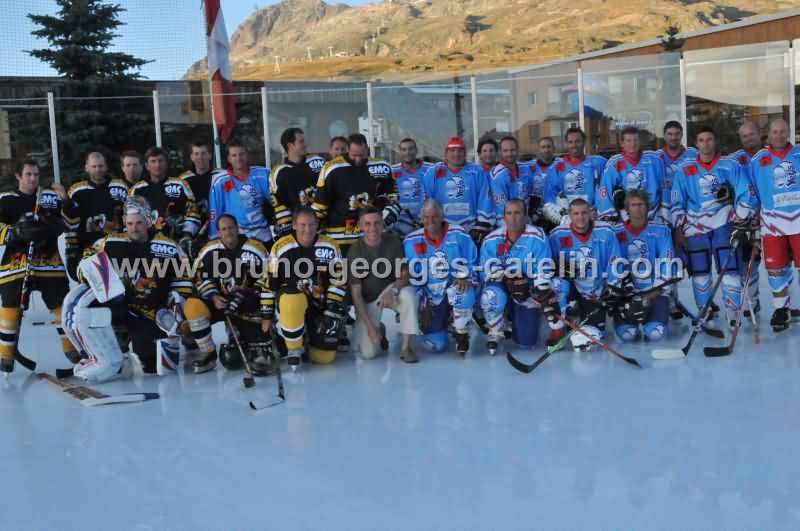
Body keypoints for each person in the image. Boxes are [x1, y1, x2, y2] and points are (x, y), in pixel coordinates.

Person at [62, 195, 193, 381]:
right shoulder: (111, 242)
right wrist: (91, 273)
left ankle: (134, 340)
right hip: (119, 308)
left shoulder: (169, 247)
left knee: (152, 365)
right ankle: (100, 353)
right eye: (130, 223)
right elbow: (85, 260)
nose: (134, 228)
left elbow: (185, 281)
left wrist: (176, 311)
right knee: (81, 307)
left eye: (139, 223)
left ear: (148, 221)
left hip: (150, 314)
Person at [0, 159, 78, 374]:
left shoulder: (50, 198)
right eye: (28, 174)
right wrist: (15, 231)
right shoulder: (6, 200)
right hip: (16, 261)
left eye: (36, 174)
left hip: (48, 259)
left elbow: (70, 222)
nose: (33, 178)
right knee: (10, 305)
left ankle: (71, 349)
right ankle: (6, 355)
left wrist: (63, 206)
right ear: (18, 176)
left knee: (60, 303)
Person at [671, 126, 742, 326]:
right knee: (700, 272)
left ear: (715, 141)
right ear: (696, 144)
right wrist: (678, 228)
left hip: (723, 224)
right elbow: (677, 200)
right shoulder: (684, 169)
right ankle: (705, 310)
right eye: (701, 140)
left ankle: (732, 310)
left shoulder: (730, 165)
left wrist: (742, 218)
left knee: (729, 270)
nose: (705, 144)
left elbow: (744, 192)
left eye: (709, 139)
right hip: (695, 228)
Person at [182, 214, 270, 374]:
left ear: (237, 228)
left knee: (235, 359)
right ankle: (209, 354)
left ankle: (252, 340)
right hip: (219, 303)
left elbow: (268, 279)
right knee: (193, 305)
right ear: (218, 232)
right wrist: (213, 295)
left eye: (231, 228)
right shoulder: (208, 250)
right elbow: (199, 277)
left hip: (245, 305)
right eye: (223, 229)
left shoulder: (256, 248)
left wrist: (248, 294)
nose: (228, 232)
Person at [734, 118, 800, 332]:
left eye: (783, 131)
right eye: (775, 132)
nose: (779, 135)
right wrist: (745, 216)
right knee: (776, 269)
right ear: (769, 134)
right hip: (772, 224)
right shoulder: (758, 160)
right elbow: (751, 192)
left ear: (789, 132)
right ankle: (781, 309)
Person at [260, 207, 347, 368]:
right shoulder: (280, 247)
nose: (307, 229)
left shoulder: (331, 245)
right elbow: (268, 285)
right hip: (293, 298)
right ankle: (294, 347)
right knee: (292, 300)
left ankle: (309, 338)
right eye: (302, 225)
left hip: (320, 303)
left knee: (324, 358)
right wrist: (267, 315)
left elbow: (339, 280)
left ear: (317, 224)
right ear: (294, 225)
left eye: (311, 224)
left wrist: (332, 307)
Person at [479, 199, 561, 354]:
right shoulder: (491, 239)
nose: (513, 218)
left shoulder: (537, 236)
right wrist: (509, 278)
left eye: (517, 213)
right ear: (504, 217)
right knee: (490, 296)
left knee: (526, 344)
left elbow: (543, 268)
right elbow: (487, 270)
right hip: (502, 287)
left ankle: (538, 320)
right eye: (509, 213)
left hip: (527, 290)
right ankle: (495, 329)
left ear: (525, 216)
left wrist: (542, 291)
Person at [404, 199, 477, 355]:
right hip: (430, 297)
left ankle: (461, 329)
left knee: (463, 293)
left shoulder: (459, 235)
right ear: (421, 218)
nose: (430, 221)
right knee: (436, 346)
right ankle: (443, 324)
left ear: (442, 216)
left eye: (435, 216)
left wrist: (465, 276)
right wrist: (422, 304)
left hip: (453, 288)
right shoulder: (411, 241)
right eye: (426, 217)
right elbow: (412, 279)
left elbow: (474, 262)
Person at [549, 198, 624, 350]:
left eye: (584, 213)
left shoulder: (606, 231)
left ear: (590, 213)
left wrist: (612, 288)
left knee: (593, 334)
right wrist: (559, 268)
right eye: (576, 213)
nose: (580, 217)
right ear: (569, 215)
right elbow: (546, 263)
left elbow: (615, 262)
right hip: (570, 285)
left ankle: (577, 313)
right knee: (557, 285)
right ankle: (558, 329)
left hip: (595, 289)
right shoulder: (557, 234)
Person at [348, 207, 420, 362]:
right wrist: (370, 326)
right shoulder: (355, 250)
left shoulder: (394, 242)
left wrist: (393, 290)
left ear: (382, 224)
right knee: (368, 353)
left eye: (377, 223)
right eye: (367, 224)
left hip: (390, 291)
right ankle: (379, 328)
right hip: (369, 300)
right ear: (360, 226)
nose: (372, 228)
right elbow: (356, 294)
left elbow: (405, 275)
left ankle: (406, 348)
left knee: (409, 295)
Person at [311, 133, 399, 257]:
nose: (358, 159)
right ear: (347, 149)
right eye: (354, 155)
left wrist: (389, 210)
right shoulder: (331, 168)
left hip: (371, 236)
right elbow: (320, 205)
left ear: (367, 148)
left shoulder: (382, 167)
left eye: (361, 155)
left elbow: (393, 197)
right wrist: (313, 227)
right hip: (338, 236)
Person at [611, 190, 676, 342]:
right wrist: (625, 294)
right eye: (633, 205)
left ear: (647, 207)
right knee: (627, 335)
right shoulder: (615, 233)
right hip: (627, 295)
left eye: (641, 204)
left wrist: (650, 294)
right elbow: (613, 267)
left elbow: (667, 264)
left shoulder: (661, 231)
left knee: (655, 334)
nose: (637, 208)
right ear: (627, 208)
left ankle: (660, 312)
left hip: (655, 293)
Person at [60, 152, 129, 279]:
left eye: (101, 166)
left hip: (116, 247)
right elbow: (70, 222)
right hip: (88, 249)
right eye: (94, 166)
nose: (98, 170)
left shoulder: (120, 187)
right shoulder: (76, 191)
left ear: (106, 166)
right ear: (87, 167)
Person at [421, 137, 494, 246]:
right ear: (446, 153)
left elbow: (485, 199)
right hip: (441, 230)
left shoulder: (477, 172)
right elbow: (426, 201)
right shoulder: (433, 173)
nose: (456, 154)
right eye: (452, 150)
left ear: (464, 153)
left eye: (460, 150)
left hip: (471, 230)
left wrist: (481, 226)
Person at [132, 147, 201, 257]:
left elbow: (193, 213)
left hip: (177, 245)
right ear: (147, 166)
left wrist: (186, 235)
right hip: (146, 245)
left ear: (166, 163)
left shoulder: (180, 184)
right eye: (153, 161)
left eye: (161, 161)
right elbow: (129, 220)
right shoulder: (137, 190)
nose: (157, 165)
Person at [728, 121, 763, 317]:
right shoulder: (734, 160)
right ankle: (752, 303)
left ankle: (788, 306)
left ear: (760, 133)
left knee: (782, 264)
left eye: (752, 134)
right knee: (749, 263)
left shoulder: (769, 155)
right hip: (747, 220)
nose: (749, 139)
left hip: (773, 218)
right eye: (744, 136)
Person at [208, 140, 272, 246]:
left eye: (241, 154)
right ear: (229, 158)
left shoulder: (262, 174)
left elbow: (275, 201)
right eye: (234, 155)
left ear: (247, 155)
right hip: (236, 238)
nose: (238, 158)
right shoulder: (219, 181)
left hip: (263, 235)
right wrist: (214, 240)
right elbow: (214, 212)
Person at [598, 127, 664, 222]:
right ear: (622, 143)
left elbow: (664, 186)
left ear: (640, 141)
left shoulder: (654, 160)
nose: (632, 144)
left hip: (653, 214)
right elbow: (605, 189)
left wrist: (665, 211)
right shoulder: (615, 163)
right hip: (626, 217)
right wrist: (610, 216)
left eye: (635, 140)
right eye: (628, 141)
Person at [543, 127, 606, 227]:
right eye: (570, 142)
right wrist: (564, 216)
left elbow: (607, 187)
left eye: (577, 141)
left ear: (584, 142)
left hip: (592, 216)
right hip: (567, 218)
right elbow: (549, 197)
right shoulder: (556, 167)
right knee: (547, 207)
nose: (574, 145)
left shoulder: (598, 163)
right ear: (566, 144)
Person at [270, 128, 320, 238]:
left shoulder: (317, 161)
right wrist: (289, 233)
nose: (305, 145)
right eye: (301, 141)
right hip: (299, 231)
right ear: (290, 145)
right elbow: (279, 206)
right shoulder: (278, 172)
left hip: (322, 228)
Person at [657, 121, 698, 224]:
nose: (673, 137)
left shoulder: (693, 154)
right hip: (663, 207)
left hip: (687, 206)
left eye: (676, 134)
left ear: (682, 135)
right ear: (664, 136)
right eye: (670, 134)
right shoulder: (656, 157)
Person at [488, 136, 536, 223]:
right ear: (500, 152)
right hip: (507, 222)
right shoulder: (497, 175)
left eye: (512, 150)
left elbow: (529, 193)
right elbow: (502, 208)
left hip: (525, 219)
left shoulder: (525, 169)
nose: (509, 154)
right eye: (505, 151)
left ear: (517, 150)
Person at [391, 137, 432, 237]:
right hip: (399, 227)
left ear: (416, 150)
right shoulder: (392, 171)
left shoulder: (430, 169)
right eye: (404, 149)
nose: (407, 152)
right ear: (400, 152)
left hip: (425, 225)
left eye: (410, 149)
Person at [179, 140, 215, 229]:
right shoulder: (183, 180)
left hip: (217, 225)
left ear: (210, 155)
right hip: (192, 228)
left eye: (203, 153)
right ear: (191, 157)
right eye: (196, 154)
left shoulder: (220, 176)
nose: (200, 157)